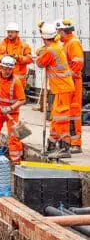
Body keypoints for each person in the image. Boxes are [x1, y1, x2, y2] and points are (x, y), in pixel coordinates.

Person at [36, 22, 75, 159]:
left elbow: (40, 63)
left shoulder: (51, 51)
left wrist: (40, 52)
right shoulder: (56, 46)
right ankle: (52, 143)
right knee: (56, 118)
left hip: (62, 87)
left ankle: (65, 147)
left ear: (44, 38)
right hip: (61, 88)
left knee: (61, 118)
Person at [0, 56, 26, 163]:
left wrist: (10, 108)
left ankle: (16, 161)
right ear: (1, 67)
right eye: (5, 69)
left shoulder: (16, 81)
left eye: (9, 69)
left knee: (14, 137)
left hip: (12, 113)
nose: (7, 71)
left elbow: (22, 100)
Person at [56, 19, 84, 153]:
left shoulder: (73, 43)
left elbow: (78, 64)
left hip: (73, 83)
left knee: (73, 114)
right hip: (67, 83)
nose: (57, 34)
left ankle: (76, 143)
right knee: (65, 113)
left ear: (63, 31)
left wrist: (67, 76)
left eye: (58, 31)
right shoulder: (66, 43)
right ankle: (66, 141)